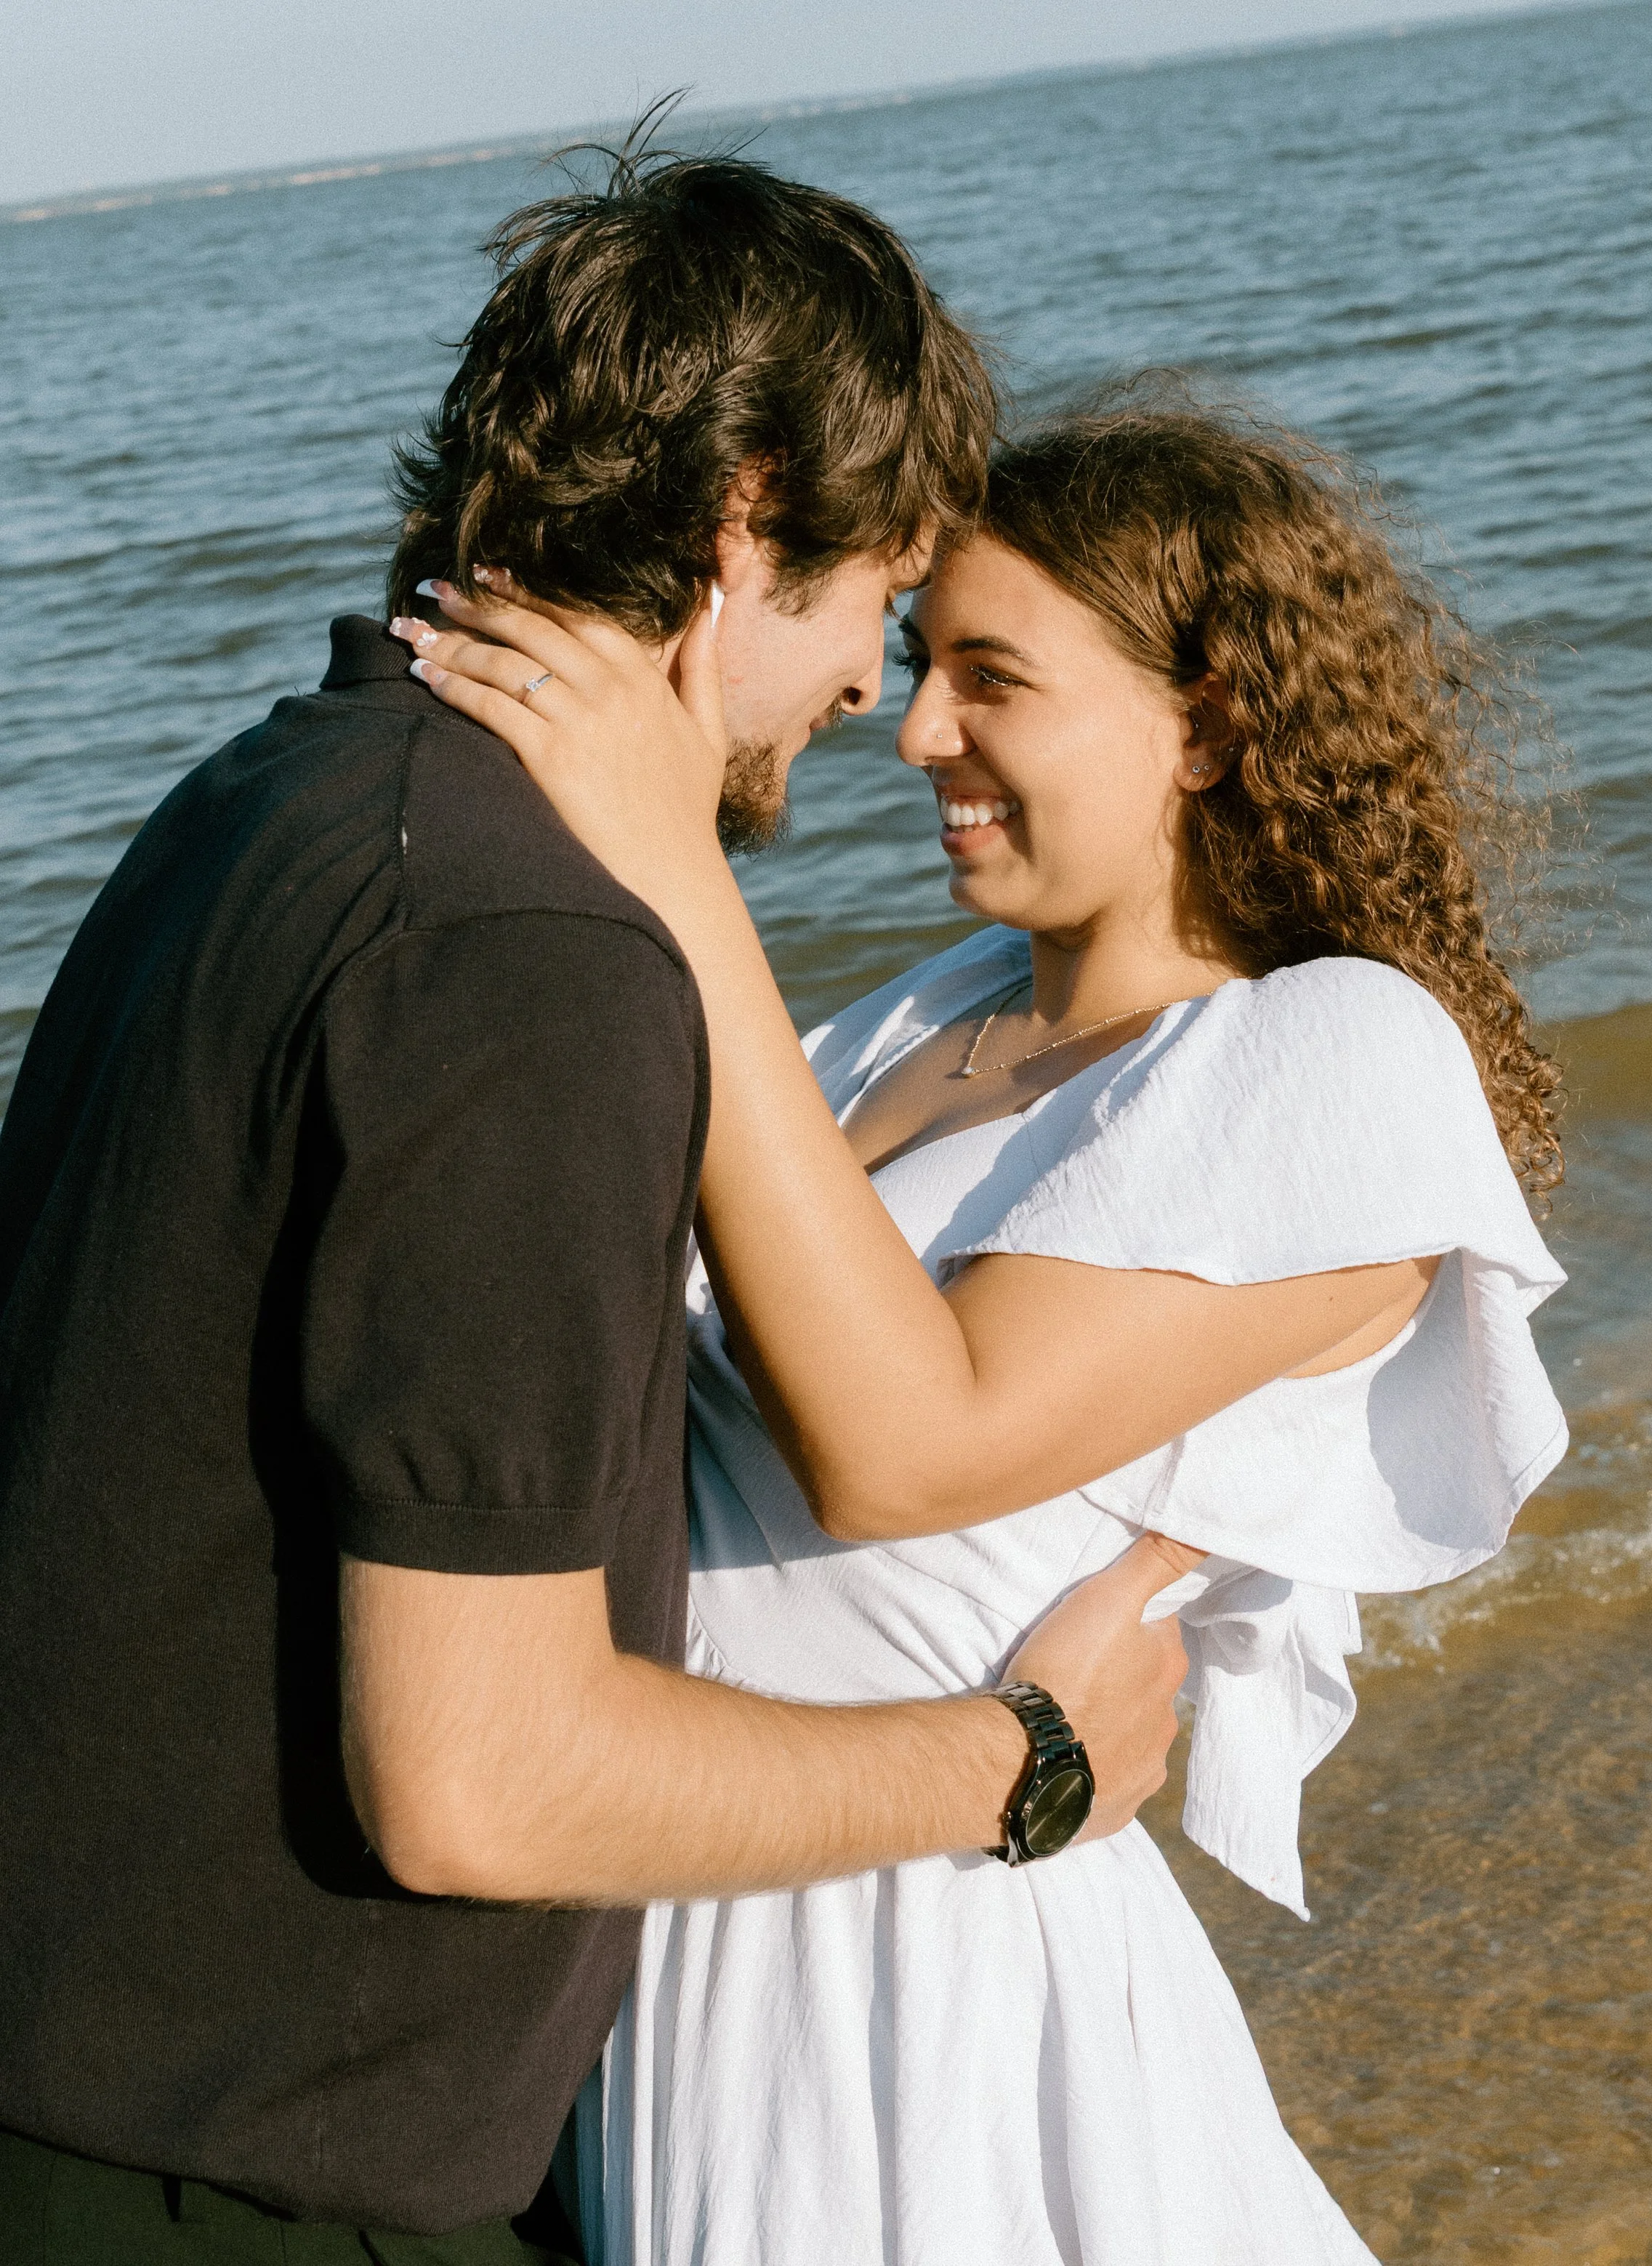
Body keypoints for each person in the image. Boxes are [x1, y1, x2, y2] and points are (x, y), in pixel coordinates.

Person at [0, 158, 1195, 2265]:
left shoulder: (272, 798)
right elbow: (487, 1777)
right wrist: (1016, 1761)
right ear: (745, 524)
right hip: (234, 2175)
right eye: (868, 604)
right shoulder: (527, 952)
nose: (865, 694)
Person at [398, 384, 1571, 2265]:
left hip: (931, 1980)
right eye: (918, 660)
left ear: (1205, 722)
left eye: (991, 677)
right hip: (696, 1920)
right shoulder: (915, 1019)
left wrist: (669, 853)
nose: (918, 727)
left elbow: (902, 1446)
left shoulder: (1329, 1050)